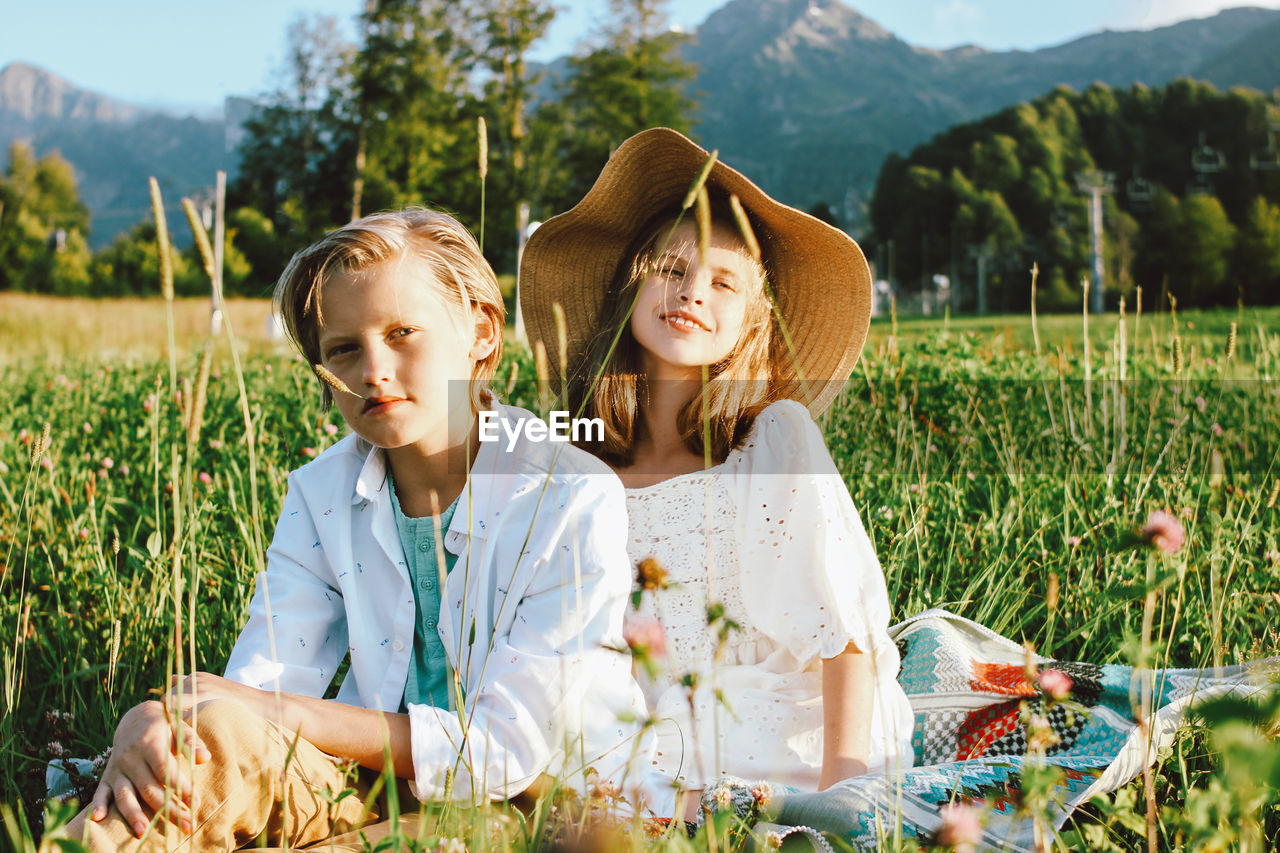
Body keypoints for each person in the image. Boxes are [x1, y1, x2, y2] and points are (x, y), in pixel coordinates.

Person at [66, 208, 648, 850]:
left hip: (544, 807)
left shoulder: (569, 494)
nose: (373, 370)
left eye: (403, 333)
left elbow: (502, 751)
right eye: (344, 348)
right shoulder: (320, 492)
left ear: (481, 330)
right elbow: (257, 692)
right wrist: (161, 721)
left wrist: (274, 713)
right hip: (370, 782)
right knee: (192, 759)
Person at [519, 128, 915, 820]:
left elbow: (843, 629)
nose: (692, 291)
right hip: (627, 729)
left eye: (723, 281)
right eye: (670, 269)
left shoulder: (770, 443)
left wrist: (844, 799)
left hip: (767, 720)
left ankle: (693, 808)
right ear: (627, 287)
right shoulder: (573, 463)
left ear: (753, 322)